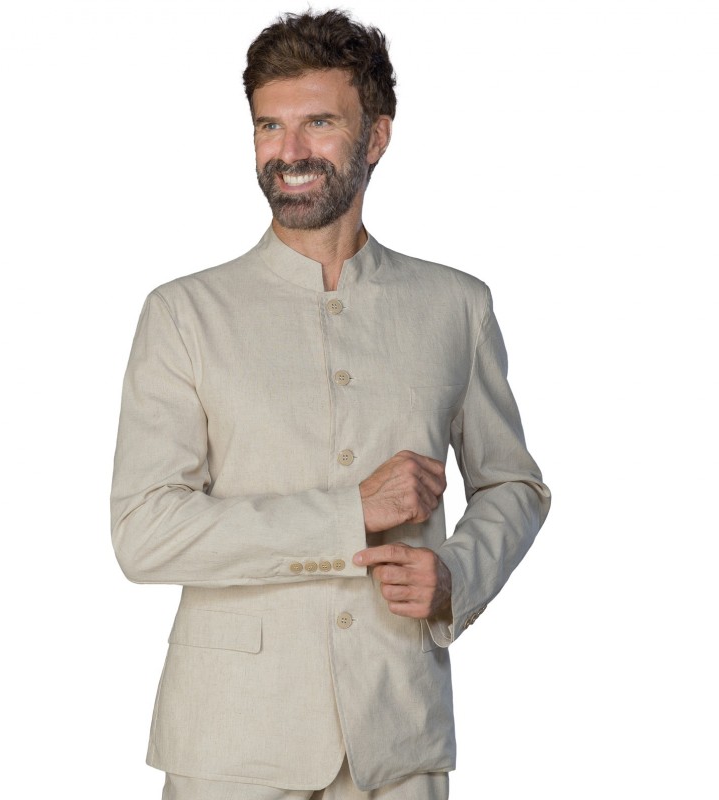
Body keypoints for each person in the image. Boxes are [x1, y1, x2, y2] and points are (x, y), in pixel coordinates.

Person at [110, 9, 551, 799]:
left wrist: (456, 575)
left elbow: (513, 485)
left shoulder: (456, 307)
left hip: (398, 734)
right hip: (230, 742)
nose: (289, 152)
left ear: (376, 137)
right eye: (269, 126)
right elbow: (144, 533)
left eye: (318, 123)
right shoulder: (184, 314)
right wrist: (349, 514)